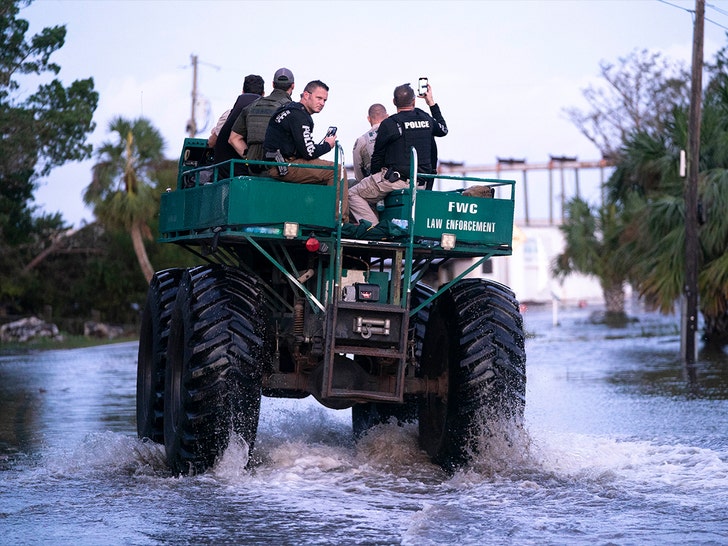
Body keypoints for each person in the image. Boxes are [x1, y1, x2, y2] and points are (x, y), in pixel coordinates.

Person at [348, 82, 448, 226]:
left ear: (394, 102)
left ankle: (375, 230)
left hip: (395, 181)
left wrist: (375, 178)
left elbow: (377, 158)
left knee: (352, 193)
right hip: (421, 184)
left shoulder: (389, 124)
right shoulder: (425, 118)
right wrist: (430, 102)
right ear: (414, 101)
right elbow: (443, 130)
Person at [262, 79, 348, 221]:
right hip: (283, 166)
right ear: (306, 95)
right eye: (319, 98)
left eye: (325, 100)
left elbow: (304, 149)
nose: (322, 103)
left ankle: (318, 216)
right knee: (338, 171)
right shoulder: (299, 116)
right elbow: (309, 152)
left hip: (278, 163)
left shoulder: (289, 109)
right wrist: (328, 145)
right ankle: (340, 222)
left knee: (323, 167)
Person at [228, 68, 295, 171]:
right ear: (293, 85)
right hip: (279, 170)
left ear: (273, 84)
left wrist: (248, 157)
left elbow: (234, 139)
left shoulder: (252, 106)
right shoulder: (292, 109)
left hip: (253, 168)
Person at [212, 74, 265, 178]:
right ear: (263, 94)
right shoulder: (264, 116)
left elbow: (212, 142)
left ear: (242, 92)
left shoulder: (228, 114)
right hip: (248, 173)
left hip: (223, 172)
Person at [352, 103, 388, 183]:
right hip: (397, 180)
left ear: (368, 119)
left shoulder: (362, 140)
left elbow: (358, 170)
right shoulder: (396, 133)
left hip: (374, 183)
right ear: (387, 116)